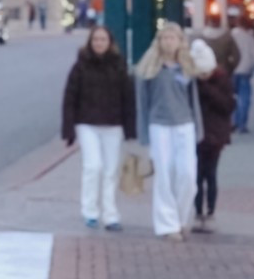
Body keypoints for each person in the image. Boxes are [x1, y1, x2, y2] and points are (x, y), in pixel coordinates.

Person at [61, 23, 135, 232]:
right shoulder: (80, 66)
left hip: (113, 124)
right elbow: (70, 97)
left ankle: (110, 214)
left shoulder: (119, 66)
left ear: (109, 43)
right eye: (95, 40)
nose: (99, 43)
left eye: (103, 40)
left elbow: (128, 98)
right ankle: (90, 211)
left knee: (111, 170)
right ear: (90, 42)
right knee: (93, 166)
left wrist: (130, 129)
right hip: (87, 123)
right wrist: (69, 129)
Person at [135, 20, 203, 238]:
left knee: (187, 175)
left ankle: (183, 219)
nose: (169, 42)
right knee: (164, 175)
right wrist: (143, 136)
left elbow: (194, 102)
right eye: (165, 38)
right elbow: (143, 104)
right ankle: (167, 225)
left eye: (173, 38)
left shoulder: (187, 68)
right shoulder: (150, 70)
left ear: (180, 41)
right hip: (159, 125)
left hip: (185, 124)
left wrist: (198, 128)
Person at [191, 37, 235, 228]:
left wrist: (207, 90)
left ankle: (210, 212)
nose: (204, 76)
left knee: (211, 174)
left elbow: (228, 105)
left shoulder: (221, 79)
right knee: (197, 175)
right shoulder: (191, 83)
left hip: (216, 134)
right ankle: (198, 211)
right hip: (197, 133)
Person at [232, 18, 254, 133]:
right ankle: (242, 124)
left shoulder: (231, 35)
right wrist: (251, 68)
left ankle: (233, 122)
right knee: (245, 99)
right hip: (245, 70)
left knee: (232, 98)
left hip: (233, 70)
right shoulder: (250, 37)